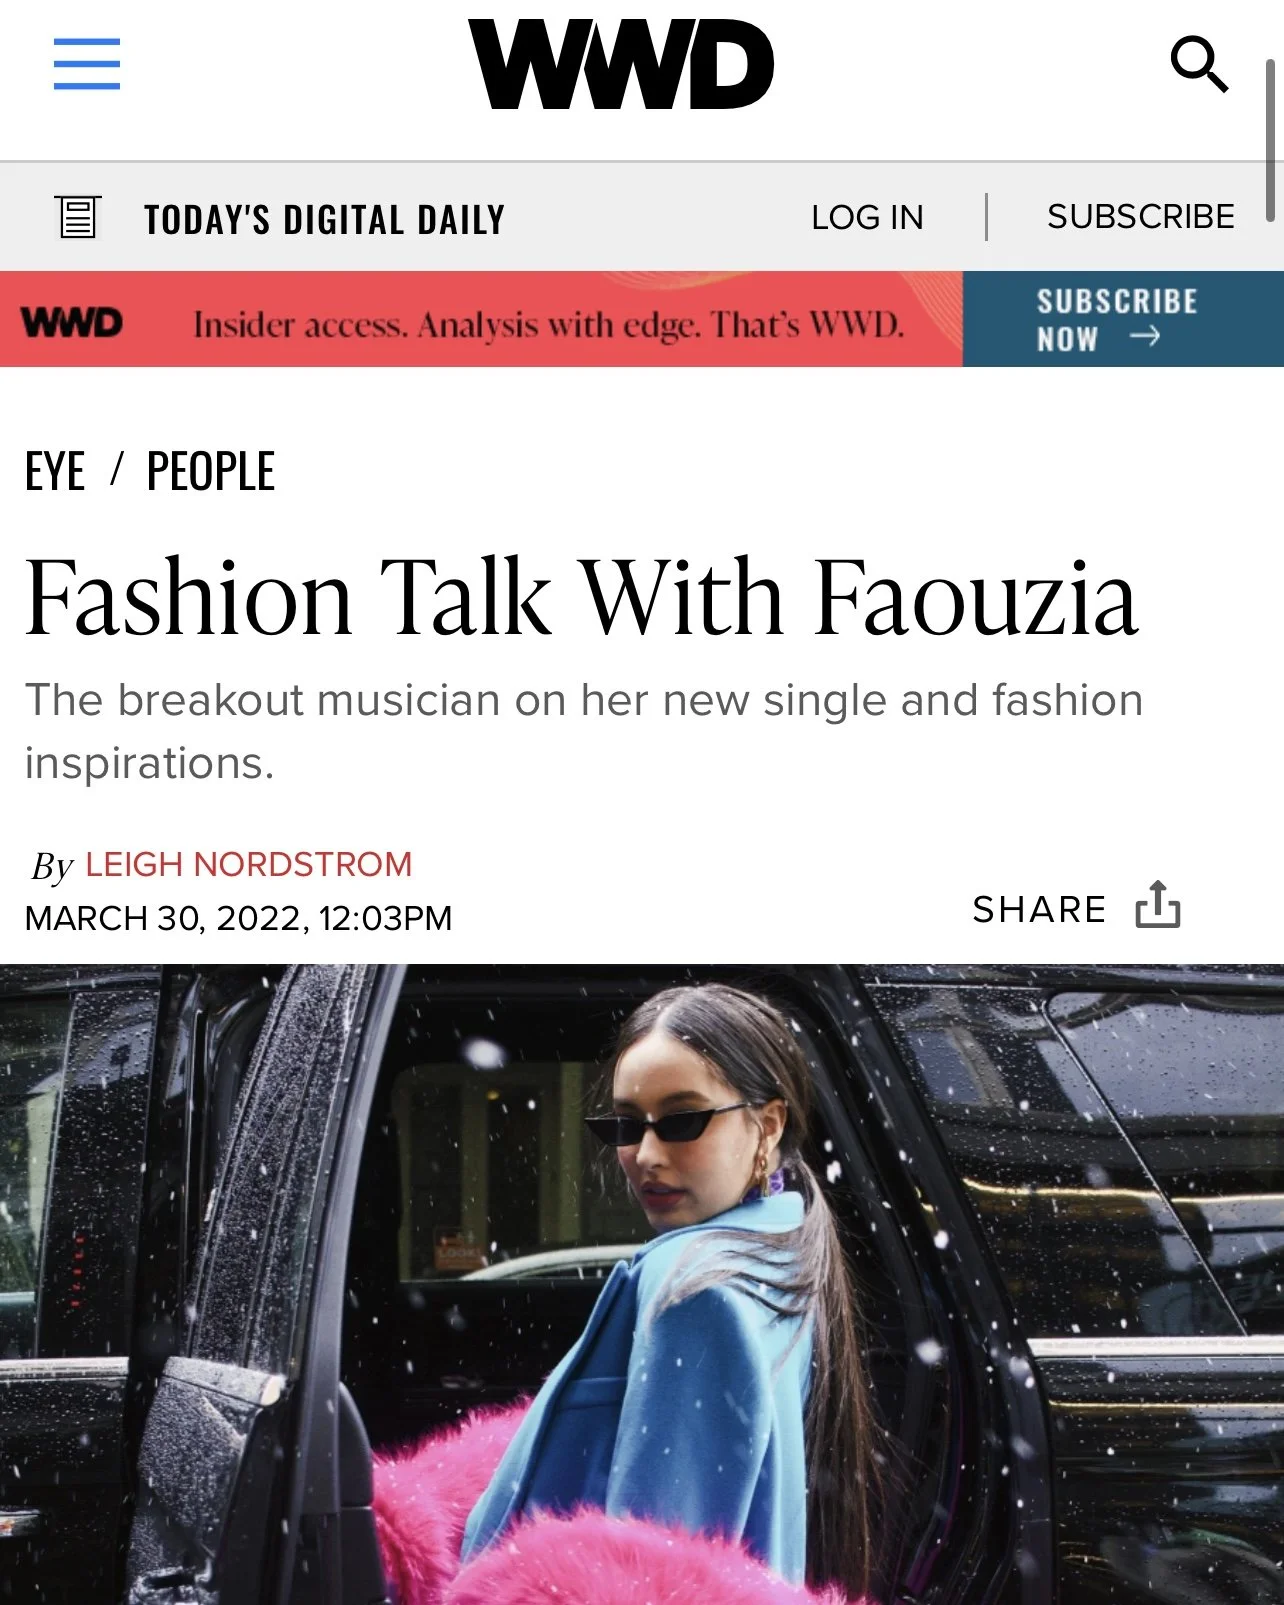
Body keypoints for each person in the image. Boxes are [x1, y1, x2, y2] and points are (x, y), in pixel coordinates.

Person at [457, 983, 882, 1601]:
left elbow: (651, 1580)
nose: (645, 1155)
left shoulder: (696, 1290)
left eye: (683, 1119)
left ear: (767, 1125)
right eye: (628, 1123)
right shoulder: (782, 1244)